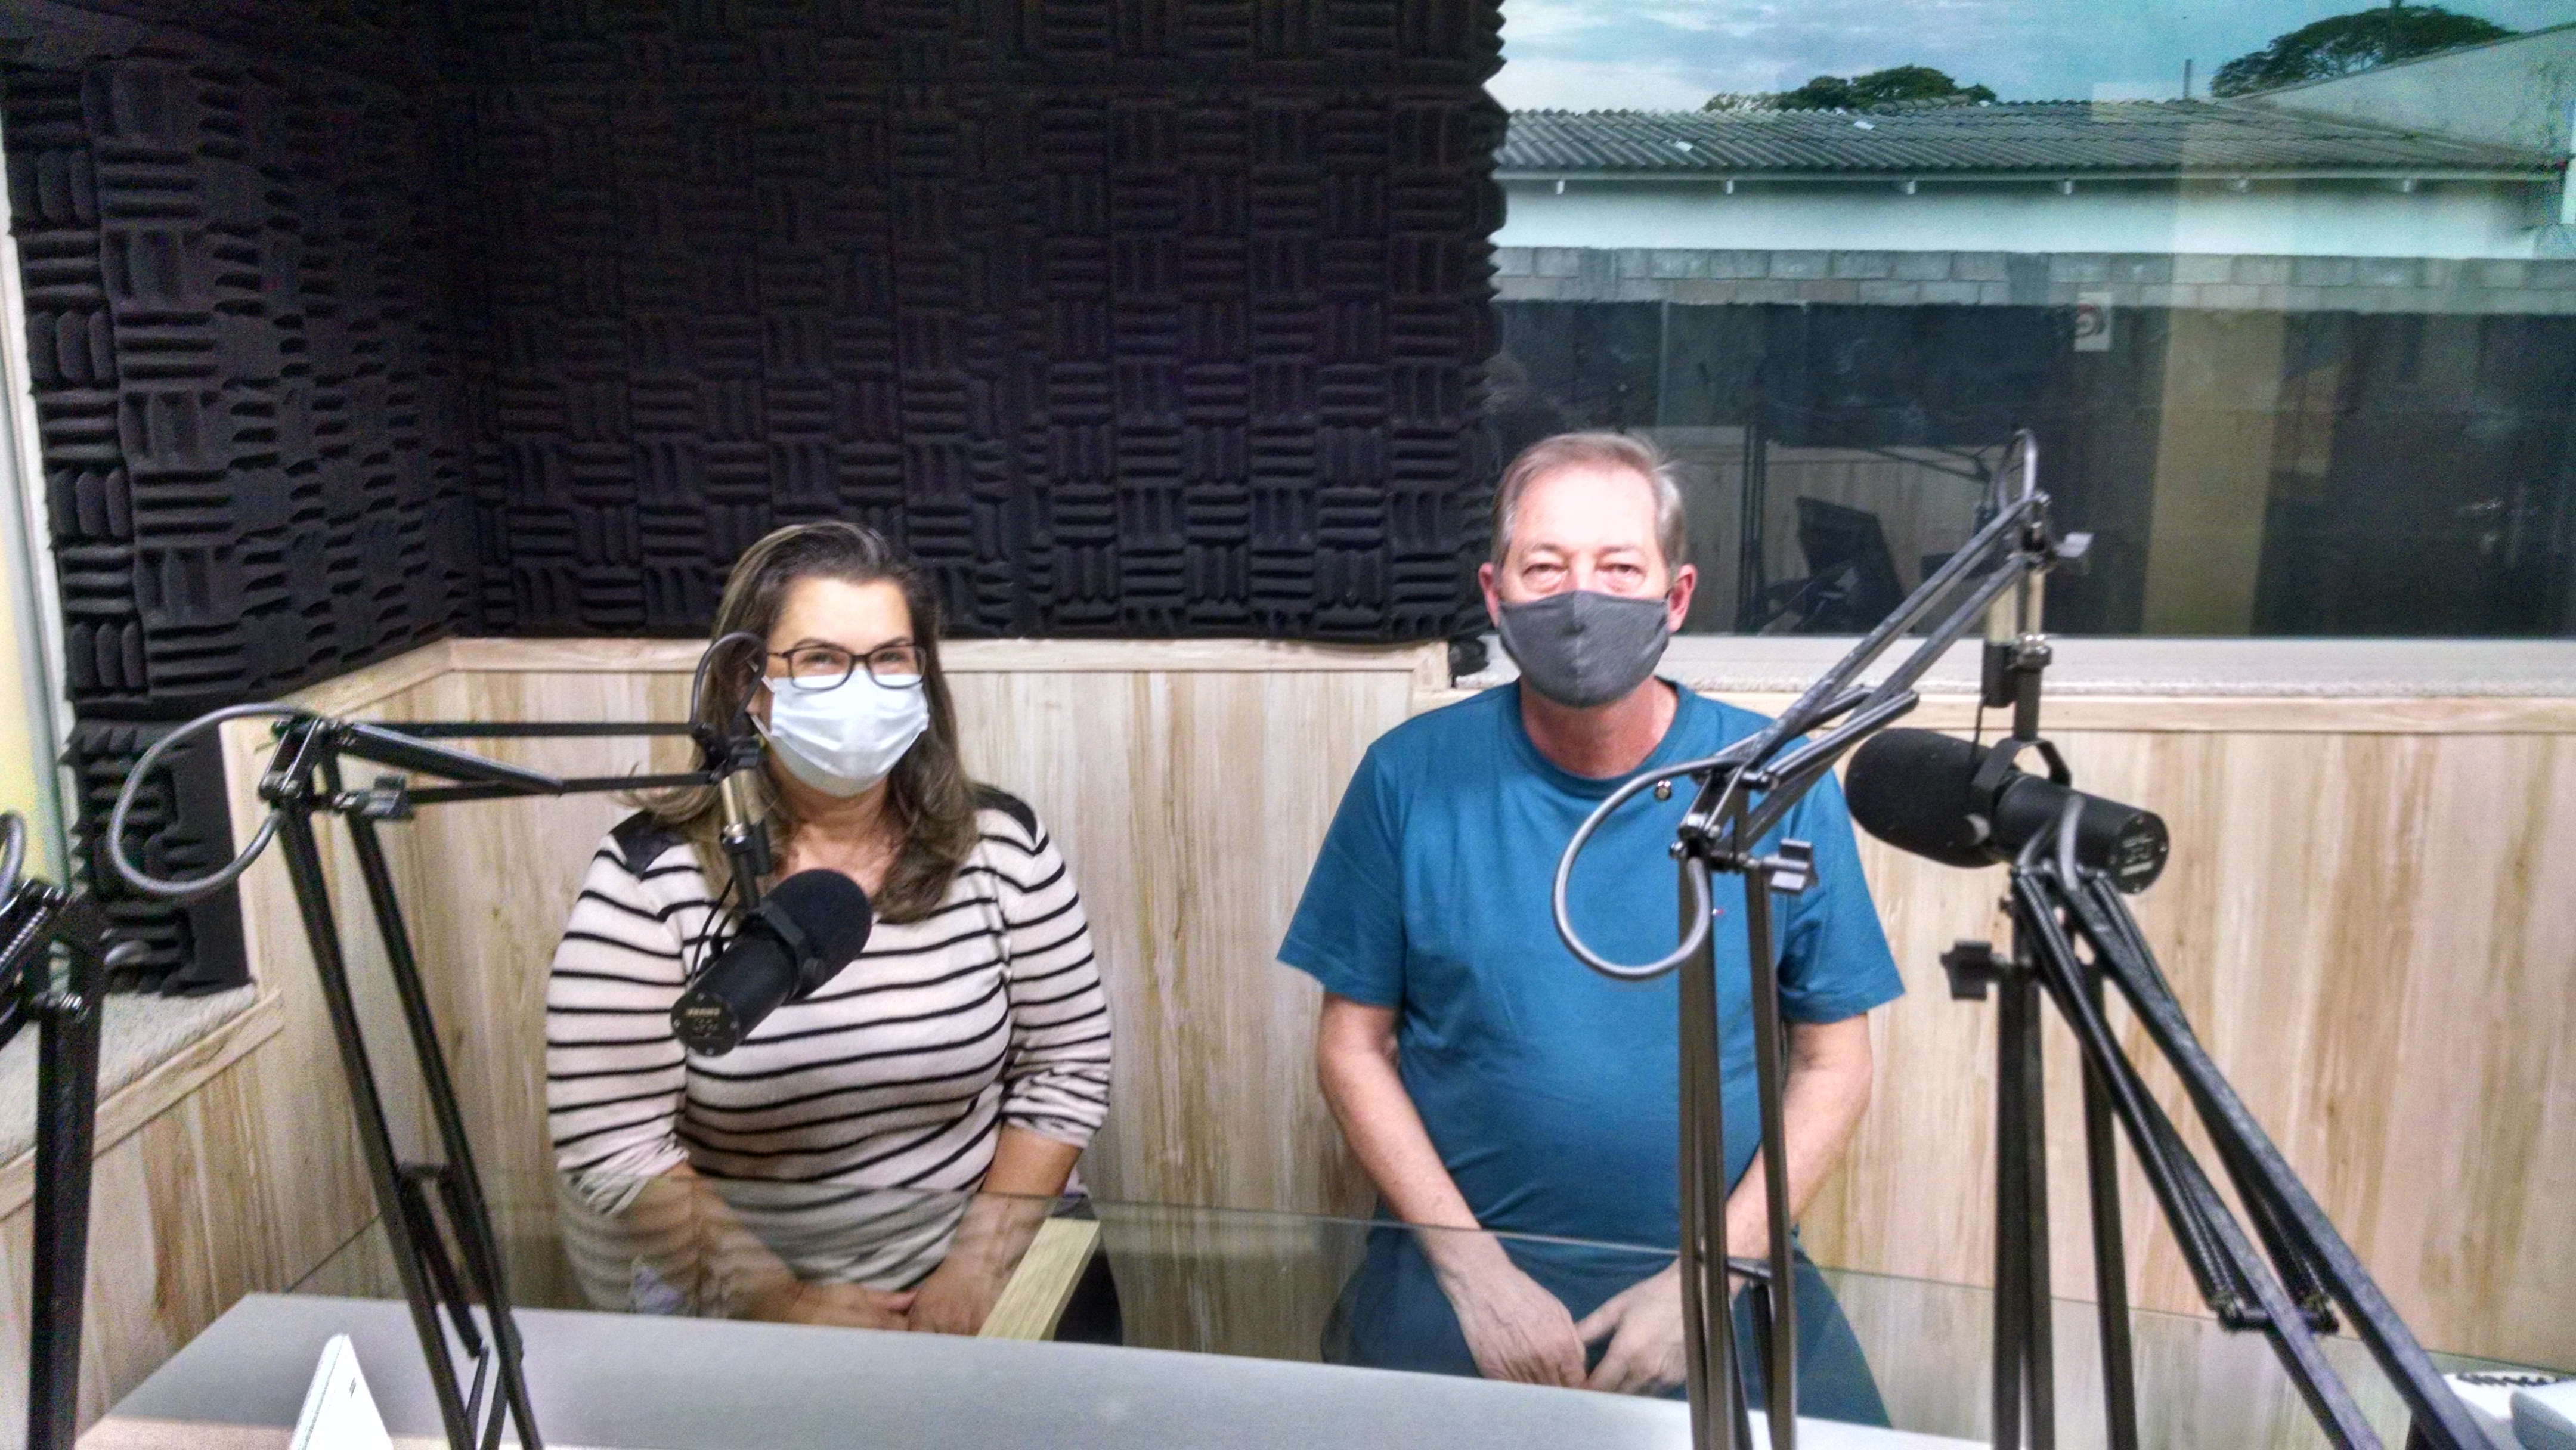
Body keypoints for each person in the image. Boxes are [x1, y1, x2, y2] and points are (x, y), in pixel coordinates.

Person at [1281, 432, 1902, 1418]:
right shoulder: (1408, 778)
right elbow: (1352, 1046)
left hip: (1720, 1272)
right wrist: (1477, 1278)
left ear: (1676, 596)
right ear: (1494, 595)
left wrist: (1713, 1274)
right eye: (1545, 568)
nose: (1581, 598)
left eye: (1619, 568)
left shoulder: (1769, 784)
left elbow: (1835, 1060)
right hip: (1460, 1276)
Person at [544, 522, 1116, 1339]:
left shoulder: (1001, 846)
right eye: (820, 659)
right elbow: (612, 1140)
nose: (862, 687)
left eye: (890, 658)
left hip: (983, 1264)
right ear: (750, 682)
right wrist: (779, 1300)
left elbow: (1067, 1067)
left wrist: (977, 1269)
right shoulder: (649, 878)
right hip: (758, 1299)